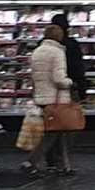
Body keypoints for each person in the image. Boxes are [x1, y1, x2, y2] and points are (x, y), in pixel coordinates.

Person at [24, 23, 77, 176]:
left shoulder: (37, 51)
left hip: (41, 97)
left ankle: (60, 166)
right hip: (56, 99)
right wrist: (70, 82)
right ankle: (31, 162)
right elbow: (59, 79)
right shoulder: (57, 52)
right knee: (54, 133)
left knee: (57, 132)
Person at [49, 12, 88, 100]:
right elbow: (78, 68)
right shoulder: (72, 44)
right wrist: (82, 91)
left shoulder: (42, 45)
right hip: (67, 87)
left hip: (46, 90)